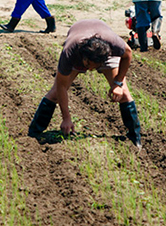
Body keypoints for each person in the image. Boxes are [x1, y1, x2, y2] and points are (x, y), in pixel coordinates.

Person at [27, 19, 142, 148]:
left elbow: (128, 54)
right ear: (84, 58)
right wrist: (66, 118)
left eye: (94, 67)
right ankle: (34, 133)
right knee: (54, 94)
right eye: (88, 65)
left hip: (103, 42)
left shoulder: (114, 45)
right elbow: (61, 86)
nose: (90, 70)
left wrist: (118, 84)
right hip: (79, 45)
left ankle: (135, 139)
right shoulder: (70, 51)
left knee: (124, 94)